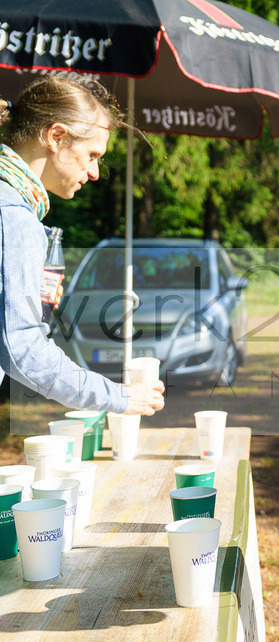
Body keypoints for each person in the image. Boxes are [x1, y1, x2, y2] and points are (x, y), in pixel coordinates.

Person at [0, 74, 164, 416]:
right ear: (56, 136)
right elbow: (22, 349)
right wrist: (120, 397)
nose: (95, 173)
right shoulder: (13, 216)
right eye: (92, 155)